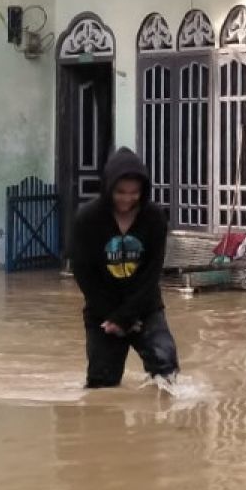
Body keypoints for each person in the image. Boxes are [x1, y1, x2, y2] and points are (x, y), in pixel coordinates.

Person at [72, 147, 179, 392]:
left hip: (145, 307)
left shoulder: (154, 218)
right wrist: (112, 316)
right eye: (120, 192)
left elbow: (152, 274)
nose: (127, 199)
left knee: (166, 368)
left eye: (134, 193)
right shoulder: (87, 219)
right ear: (109, 188)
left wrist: (126, 318)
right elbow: (83, 272)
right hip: (102, 311)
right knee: (102, 384)